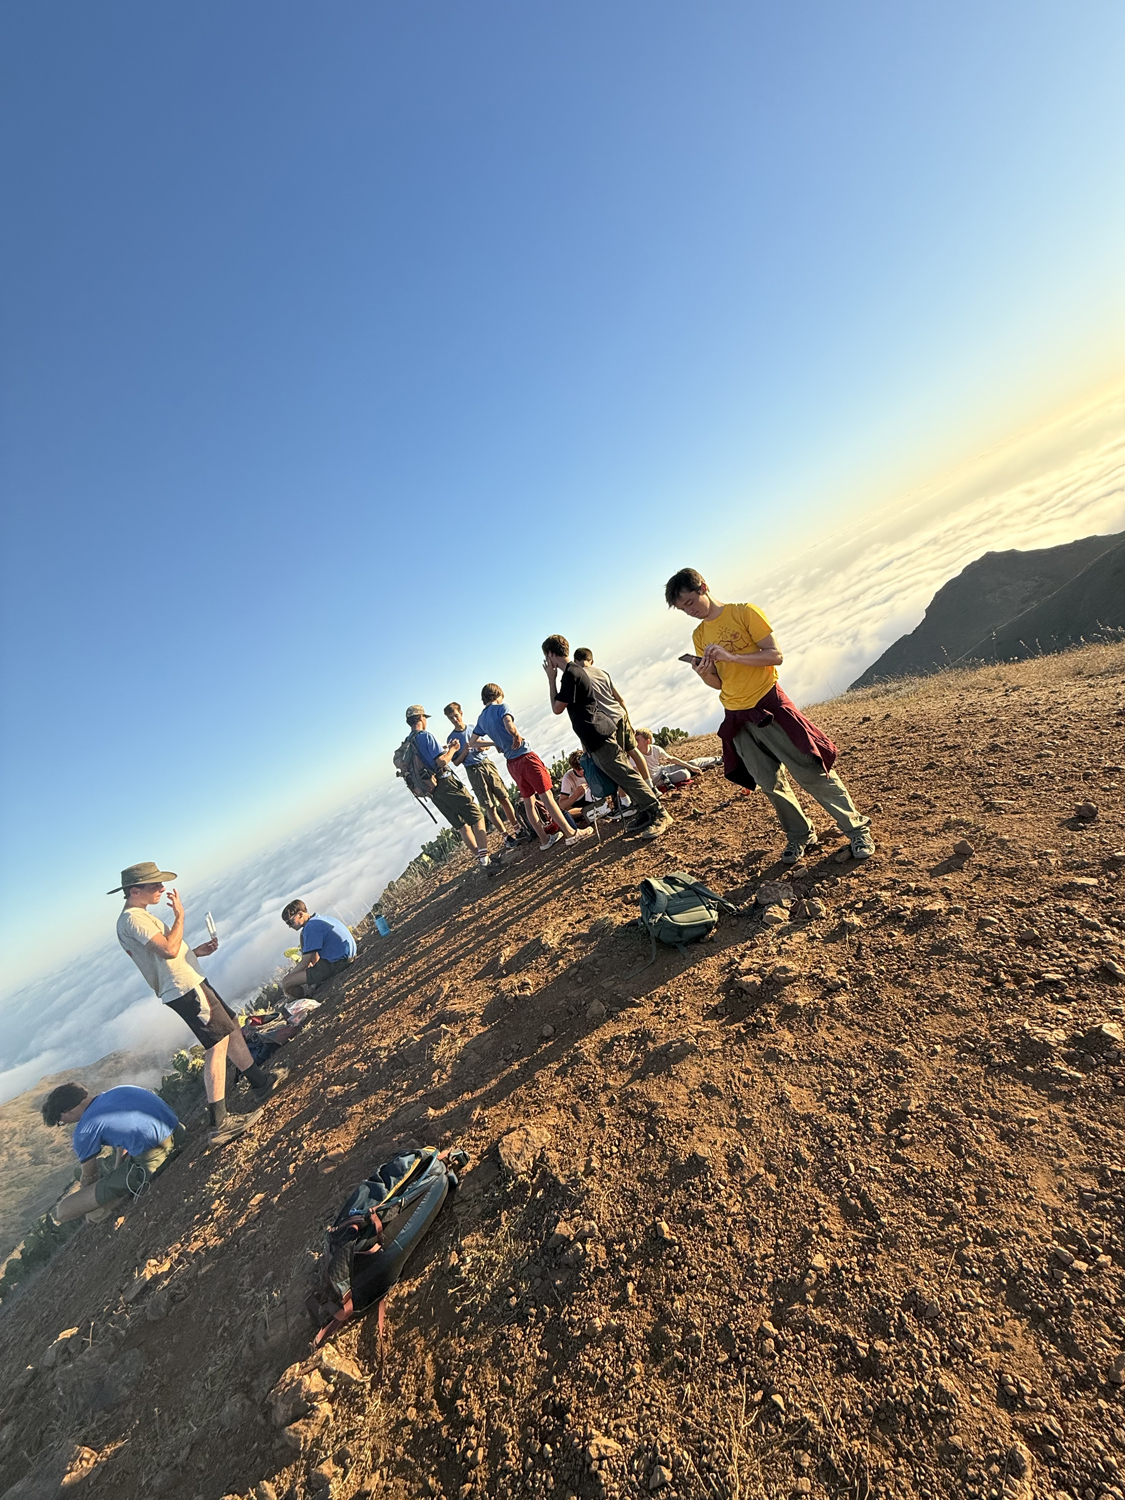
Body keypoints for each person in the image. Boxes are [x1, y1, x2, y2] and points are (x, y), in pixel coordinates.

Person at [665, 568, 874, 864]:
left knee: (809, 769)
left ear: (703, 588)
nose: (689, 611)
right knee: (769, 783)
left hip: (768, 703)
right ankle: (800, 835)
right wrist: (703, 673)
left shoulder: (744, 612)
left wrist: (732, 656)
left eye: (689, 603)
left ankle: (856, 829)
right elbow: (719, 683)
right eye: (682, 609)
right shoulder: (699, 635)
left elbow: (775, 655)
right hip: (737, 716)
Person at [111, 862, 285, 1148]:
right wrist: (180, 916)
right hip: (184, 988)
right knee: (217, 1043)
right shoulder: (133, 919)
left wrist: (193, 952)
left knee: (230, 1028)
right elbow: (168, 949)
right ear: (135, 890)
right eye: (155, 884)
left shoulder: (136, 917)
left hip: (188, 981)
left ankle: (260, 1082)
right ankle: (220, 1123)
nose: (162, 888)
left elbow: (162, 955)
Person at [541, 636, 672, 842]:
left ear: (550, 654)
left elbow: (557, 708)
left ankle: (658, 813)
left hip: (599, 735)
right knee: (620, 776)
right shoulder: (574, 672)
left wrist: (551, 679)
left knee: (625, 775)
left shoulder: (570, 674)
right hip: (595, 736)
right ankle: (645, 810)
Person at [42, 1082, 187, 1224]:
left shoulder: (84, 1130)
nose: (64, 1124)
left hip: (153, 1160)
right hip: (178, 1132)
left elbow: (90, 1176)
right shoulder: (120, 1090)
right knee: (119, 1175)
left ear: (67, 1112)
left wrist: (87, 1200)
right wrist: (117, 1170)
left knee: (64, 1209)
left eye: (60, 1121)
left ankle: (118, 1201)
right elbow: (126, 1136)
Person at [469, 685, 591, 851]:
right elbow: (509, 724)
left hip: (511, 763)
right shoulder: (501, 707)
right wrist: (515, 734)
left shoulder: (482, 718)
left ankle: (544, 839)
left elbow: (472, 742)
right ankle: (571, 834)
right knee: (547, 796)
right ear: (498, 694)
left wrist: (495, 743)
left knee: (529, 801)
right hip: (526, 757)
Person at [404, 707, 492, 869]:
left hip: (432, 791)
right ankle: (485, 859)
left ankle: (480, 860)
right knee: (477, 816)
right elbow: (442, 762)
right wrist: (453, 749)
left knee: (461, 826)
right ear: (421, 718)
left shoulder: (408, 743)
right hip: (446, 782)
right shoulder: (425, 736)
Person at [443, 701, 521, 844]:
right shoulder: (451, 738)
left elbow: (485, 745)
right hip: (473, 770)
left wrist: (484, 747)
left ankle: (518, 829)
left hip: (486, 764)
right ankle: (506, 836)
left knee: (503, 797)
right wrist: (464, 751)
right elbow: (456, 762)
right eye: (451, 718)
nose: (454, 719)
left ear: (461, 713)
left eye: (455, 715)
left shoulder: (472, 728)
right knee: (489, 806)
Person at [572, 647, 652, 784]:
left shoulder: (579, 678)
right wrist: (629, 721)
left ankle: (628, 794)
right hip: (620, 714)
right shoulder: (603, 673)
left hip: (607, 724)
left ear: (575, 661)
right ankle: (650, 784)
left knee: (619, 760)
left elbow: (581, 713)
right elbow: (620, 699)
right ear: (592, 661)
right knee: (633, 750)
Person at [280, 901, 358, 999]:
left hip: (338, 963)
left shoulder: (310, 928)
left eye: (290, 922)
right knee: (303, 938)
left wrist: (290, 976)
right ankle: (315, 981)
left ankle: (303, 998)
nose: (289, 926)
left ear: (300, 914)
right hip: (348, 956)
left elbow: (305, 962)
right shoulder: (320, 919)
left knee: (286, 982)